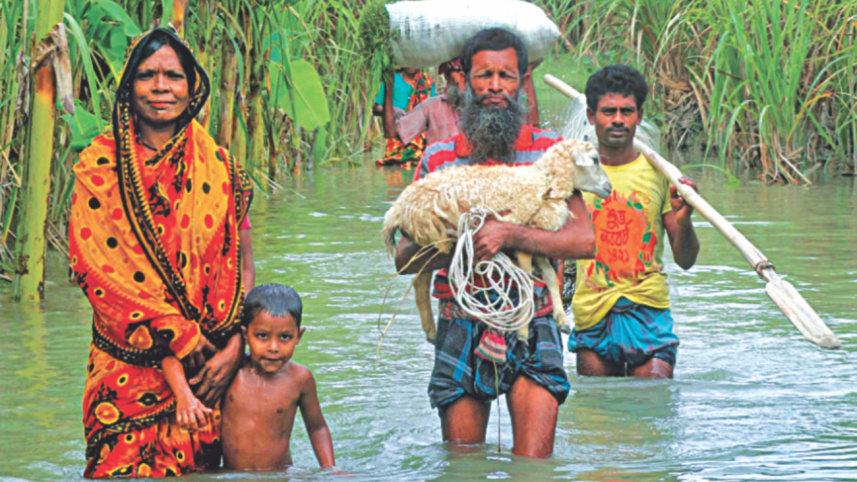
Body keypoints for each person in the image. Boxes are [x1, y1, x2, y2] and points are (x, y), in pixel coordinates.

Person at [394, 28, 595, 458]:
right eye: (485, 75)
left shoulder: (550, 153)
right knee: (463, 466)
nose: (495, 87)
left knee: (533, 466)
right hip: (460, 318)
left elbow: (583, 239)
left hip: (533, 315)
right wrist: (459, 236)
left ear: (522, 83)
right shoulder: (439, 159)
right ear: (465, 82)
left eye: (507, 76)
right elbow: (404, 259)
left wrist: (510, 234)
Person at [69, 28, 253, 478]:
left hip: (203, 373)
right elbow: (95, 273)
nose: (160, 87)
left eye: (173, 75)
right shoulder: (99, 166)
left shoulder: (220, 166)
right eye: (147, 75)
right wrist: (179, 336)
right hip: (125, 367)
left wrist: (236, 343)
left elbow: (243, 265)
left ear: (191, 87)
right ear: (129, 87)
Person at [569, 65, 700, 379]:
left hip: (649, 312)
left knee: (653, 402)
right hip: (592, 313)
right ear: (590, 116)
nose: (617, 119)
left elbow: (685, 260)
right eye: (608, 111)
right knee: (599, 413)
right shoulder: (574, 175)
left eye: (626, 111)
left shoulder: (661, 175)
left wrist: (685, 220)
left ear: (639, 117)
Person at [221, 284, 336, 471]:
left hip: (279, 475)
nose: (273, 347)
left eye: (284, 337)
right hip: (232, 475)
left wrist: (330, 468)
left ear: (298, 337)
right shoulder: (232, 372)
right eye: (262, 336)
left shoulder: (300, 379)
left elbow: (317, 427)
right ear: (245, 334)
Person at [372, 67, 435, 167]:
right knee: (394, 168)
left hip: (419, 142)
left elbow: (432, 110)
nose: (411, 65)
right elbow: (376, 108)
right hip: (396, 137)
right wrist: (392, 109)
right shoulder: (392, 80)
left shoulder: (426, 83)